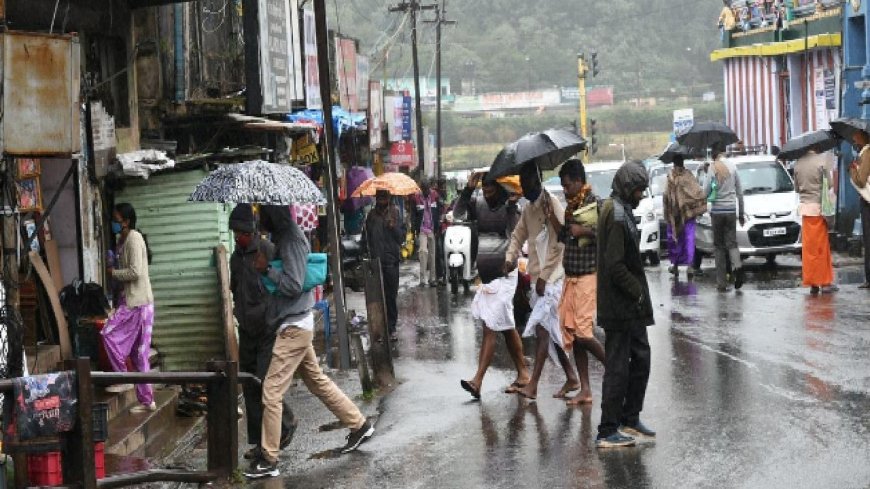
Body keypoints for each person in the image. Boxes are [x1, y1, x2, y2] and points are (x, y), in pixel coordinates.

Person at [244, 206, 373, 479]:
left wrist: (267, 268)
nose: (259, 218)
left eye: (262, 213)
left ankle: (269, 457)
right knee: (317, 382)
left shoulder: (291, 240)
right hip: (294, 323)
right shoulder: (283, 238)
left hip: (293, 327)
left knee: (271, 391)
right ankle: (359, 425)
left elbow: (293, 285)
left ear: (273, 213)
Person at [504, 163, 580, 401]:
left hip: (553, 279)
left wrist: (546, 276)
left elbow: (560, 244)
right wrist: (509, 258)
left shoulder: (552, 204)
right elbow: (518, 235)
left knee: (543, 330)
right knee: (550, 332)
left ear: (536, 181)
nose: (524, 188)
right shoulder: (528, 209)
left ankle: (533, 384)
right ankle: (572, 377)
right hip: (538, 279)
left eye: (527, 184)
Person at [229, 205, 297, 461]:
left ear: (252, 230)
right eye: (234, 232)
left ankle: (285, 422)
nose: (238, 236)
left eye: (241, 232)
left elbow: (283, 286)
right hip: (246, 329)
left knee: (265, 383)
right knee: (250, 386)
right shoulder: (235, 258)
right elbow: (235, 288)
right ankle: (258, 443)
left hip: (268, 329)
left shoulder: (268, 250)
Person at [595, 161, 655, 449]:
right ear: (628, 188)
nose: (642, 195)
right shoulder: (616, 214)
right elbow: (615, 266)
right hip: (620, 306)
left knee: (641, 358)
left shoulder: (620, 209)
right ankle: (607, 430)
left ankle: (630, 417)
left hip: (631, 307)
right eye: (639, 190)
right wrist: (638, 293)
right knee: (618, 367)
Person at [457, 172, 529, 399]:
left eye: (490, 191)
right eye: (484, 191)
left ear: (498, 188)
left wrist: (510, 207)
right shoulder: (478, 202)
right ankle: (524, 373)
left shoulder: (510, 207)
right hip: (488, 277)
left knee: (490, 326)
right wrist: (468, 190)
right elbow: (458, 213)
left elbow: (515, 233)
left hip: (505, 275)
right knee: (506, 327)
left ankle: (477, 380)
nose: (487, 196)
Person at [547, 159, 606, 406]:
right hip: (570, 276)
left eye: (568, 185)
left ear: (579, 181)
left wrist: (587, 233)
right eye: (562, 186)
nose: (566, 190)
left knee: (583, 332)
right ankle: (585, 389)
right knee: (572, 331)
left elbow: (607, 235)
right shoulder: (571, 206)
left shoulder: (596, 203)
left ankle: (615, 366)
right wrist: (554, 220)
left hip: (587, 275)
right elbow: (565, 237)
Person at [102, 203, 156, 414]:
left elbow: (135, 272)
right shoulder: (121, 240)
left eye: (116, 219)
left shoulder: (134, 238)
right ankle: (147, 401)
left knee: (110, 334)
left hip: (139, 303)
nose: (114, 223)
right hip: (130, 302)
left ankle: (122, 377)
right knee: (137, 355)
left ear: (126, 220)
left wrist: (113, 272)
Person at [793, 150, 838, 294]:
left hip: (806, 211)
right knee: (821, 248)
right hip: (819, 209)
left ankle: (812, 282)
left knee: (809, 249)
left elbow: (796, 188)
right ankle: (824, 282)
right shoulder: (821, 162)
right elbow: (830, 184)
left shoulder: (798, 164)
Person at [363, 190, 405, 340]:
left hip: (391, 263)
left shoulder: (395, 213)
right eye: (379, 197)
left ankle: (392, 328)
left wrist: (393, 227)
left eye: (384, 197)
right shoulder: (371, 216)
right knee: (377, 298)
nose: (381, 199)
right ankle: (379, 328)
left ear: (388, 198)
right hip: (375, 263)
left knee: (391, 297)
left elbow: (401, 238)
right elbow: (365, 237)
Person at [704, 150, 746, 292]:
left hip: (717, 212)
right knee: (732, 243)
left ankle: (721, 283)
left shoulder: (712, 168)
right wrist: (741, 214)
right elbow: (740, 193)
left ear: (714, 155)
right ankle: (738, 267)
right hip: (731, 211)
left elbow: (705, 191)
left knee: (719, 247)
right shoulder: (733, 167)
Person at [663, 154, 707, 279]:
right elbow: (697, 192)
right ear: (683, 163)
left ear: (673, 163)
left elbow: (665, 196)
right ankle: (690, 266)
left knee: (675, 239)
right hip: (688, 214)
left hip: (674, 215)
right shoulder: (688, 176)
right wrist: (698, 206)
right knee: (689, 239)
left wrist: (667, 213)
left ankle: (675, 266)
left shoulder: (670, 178)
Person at [849, 129, 870, 289]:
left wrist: (853, 168)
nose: (854, 140)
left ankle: (869, 278)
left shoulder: (867, 153)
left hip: (867, 202)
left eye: (856, 136)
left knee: (868, 241)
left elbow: (861, 181)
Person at [414, 180, 440, 287]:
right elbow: (414, 215)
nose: (426, 191)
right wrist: (414, 229)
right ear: (421, 188)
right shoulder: (416, 198)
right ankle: (422, 280)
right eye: (423, 189)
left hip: (432, 229)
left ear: (429, 188)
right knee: (423, 252)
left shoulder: (435, 196)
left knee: (432, 255)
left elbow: (437, 212)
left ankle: (432, 279)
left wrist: (437, 228)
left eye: (427, 189)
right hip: (422, 229)